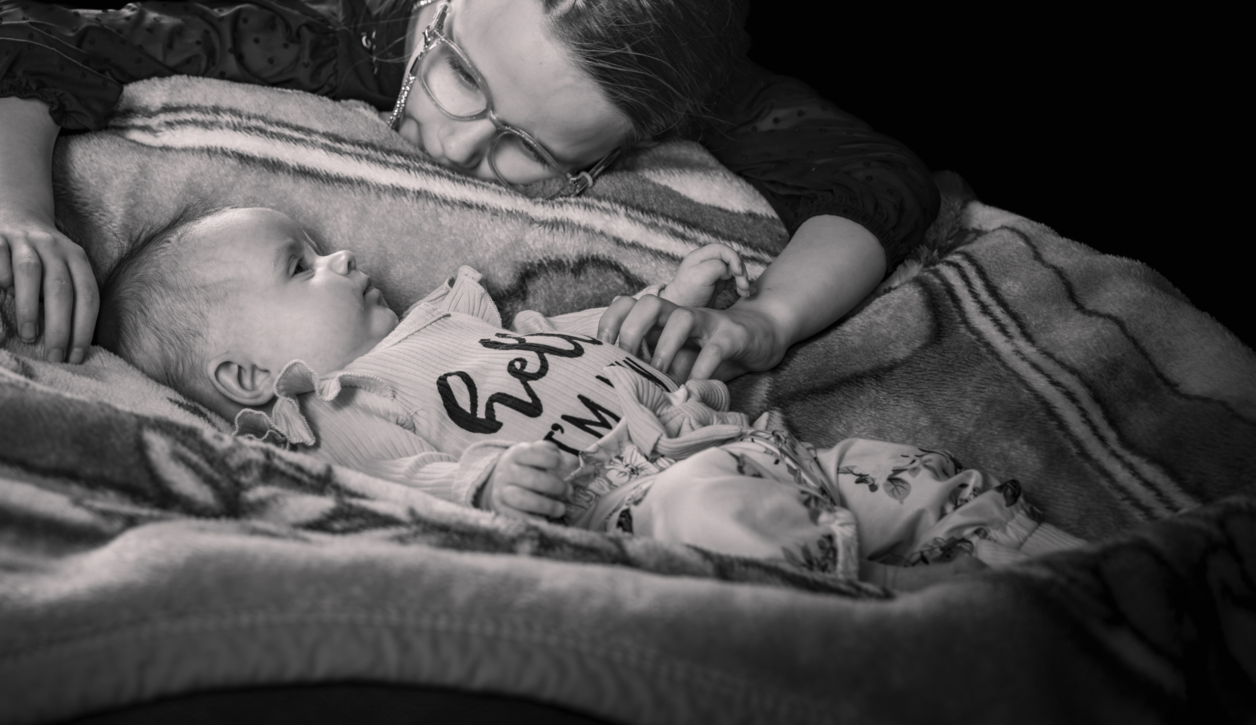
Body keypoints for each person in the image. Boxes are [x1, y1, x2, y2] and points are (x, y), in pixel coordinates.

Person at [0, 0, 941, 367]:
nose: (453, 144)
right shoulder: (343, 33)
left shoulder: (697, 90)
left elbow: (874, 184)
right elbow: (35, 37)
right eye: (460, 74)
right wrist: (17, 213)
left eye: (528, 147)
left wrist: (765, 320)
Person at [93, 205, 1082, 590]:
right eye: (300, 265)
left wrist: (667, 303)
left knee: (891, 472)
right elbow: (391, 482)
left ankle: (1062, 570)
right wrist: (483, 484)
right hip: (634, 498)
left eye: (322, 245)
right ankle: (856, 613)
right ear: (248, 377)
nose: (342, 256)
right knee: (712, 514)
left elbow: (572, 340)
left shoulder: (449, 319)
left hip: (751, 441)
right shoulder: (334, 405)